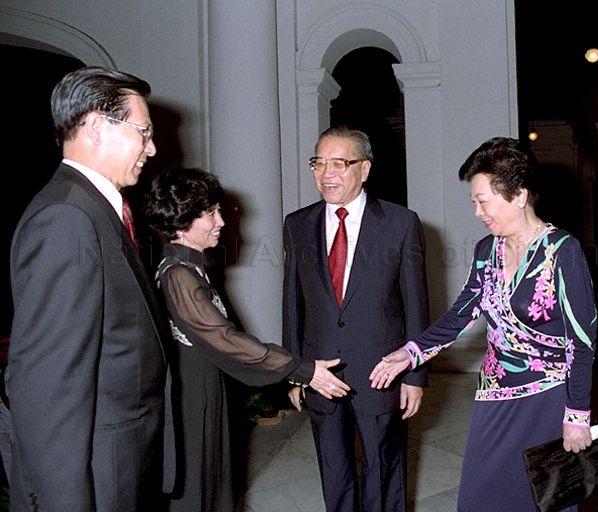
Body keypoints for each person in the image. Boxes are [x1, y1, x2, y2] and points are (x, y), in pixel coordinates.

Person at [370, 137, 597, 512]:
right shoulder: (486, 250)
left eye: (482, 200)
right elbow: (461, 314)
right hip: (494, 394)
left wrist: (577, 415)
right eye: (473, 201)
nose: (477, 212)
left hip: (548, 397)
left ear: (520, 195)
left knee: (547, 500)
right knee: (480, 497)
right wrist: (410, 354)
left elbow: (581, 342)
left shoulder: (563, 252)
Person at [7, 66, 172, 510]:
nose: (151, 148)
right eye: (144, 132)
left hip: (119, 458)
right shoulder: (66, 219)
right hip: (98, 472)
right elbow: (48, 384)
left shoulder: (93, 208)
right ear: (97, 126)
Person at [144, 168, 350, 512]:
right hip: (192, 399)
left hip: (203, 389)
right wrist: (300, 369)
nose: (220, 221)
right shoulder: (179, 275)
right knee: (197, 487)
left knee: (212, 481)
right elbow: (225, 339)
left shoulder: (189, 267)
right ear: (181, 223)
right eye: (209, 213)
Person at [283, 126, 429, 512]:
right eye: (318, 163)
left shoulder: (400, 223)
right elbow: (292, 302)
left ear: (364, 169)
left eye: (339, 163)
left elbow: (415, 303)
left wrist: (414, 374)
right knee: (334, 470)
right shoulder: (297, 224)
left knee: (383, 468)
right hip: (320, 370)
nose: (326, 173)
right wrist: (294, 369)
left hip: (380, 369)